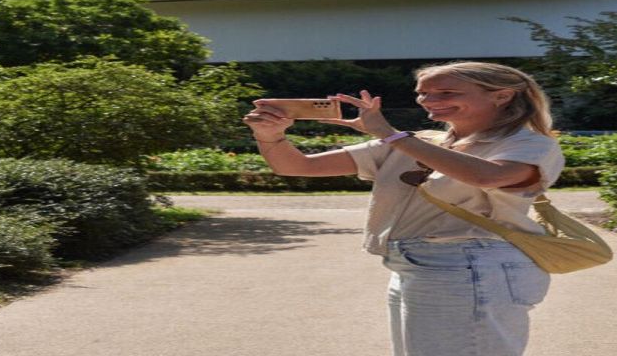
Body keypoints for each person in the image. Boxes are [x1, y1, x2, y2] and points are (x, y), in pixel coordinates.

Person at [242, 61, 565, 356]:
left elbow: (487, 176)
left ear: (502, 96)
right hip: (415, 264)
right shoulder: (415, 140)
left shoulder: (531, 144)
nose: (427, 100)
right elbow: (298, 167)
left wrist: (388, 133)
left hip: (468, 264)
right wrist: (269, 135)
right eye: (422, 93)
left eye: (446, 92)